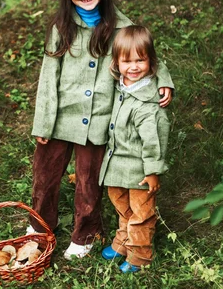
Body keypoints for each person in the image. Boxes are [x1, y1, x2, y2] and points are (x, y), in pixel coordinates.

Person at [28, 0, 174, 260]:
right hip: (59, 119)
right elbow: (47, 76)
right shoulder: (61, 27)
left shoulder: (121, 27)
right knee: (45, 177)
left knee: (89, 182)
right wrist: (42, 123)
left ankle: (85, 233)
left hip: (99, 121)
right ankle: (40, 228)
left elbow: (144, 53)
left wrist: (164, 79)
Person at [98, 25, 170, 273]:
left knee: (141, 213)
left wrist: (152, 171)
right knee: (121, 206)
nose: (134, 66)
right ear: (117, 63)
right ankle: (123, 241)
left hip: (139, 169)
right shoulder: (121, 87)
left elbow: (153, 142)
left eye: (141, 60)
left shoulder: (147, 102)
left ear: (151, 61)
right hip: (118, 164)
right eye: (127, 61)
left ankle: (140, 255)